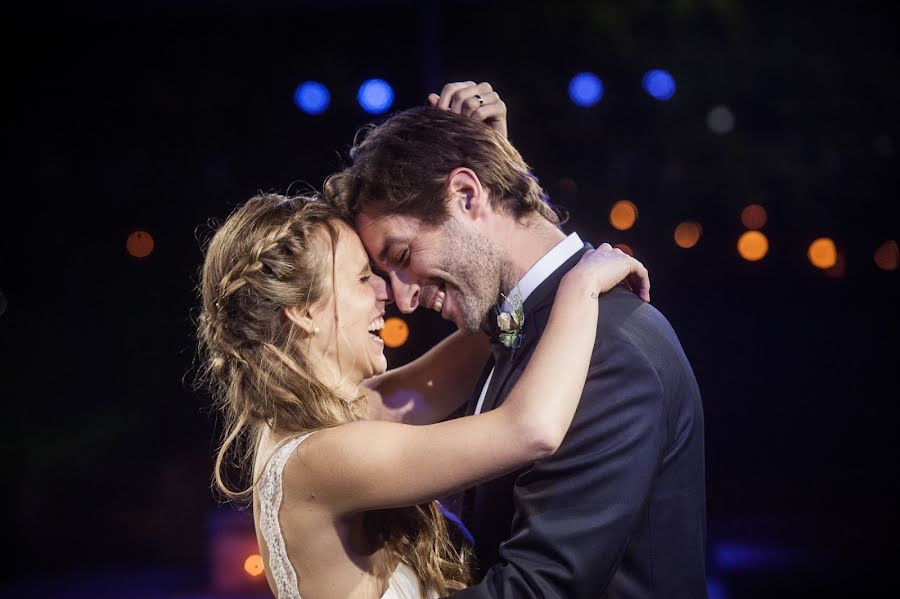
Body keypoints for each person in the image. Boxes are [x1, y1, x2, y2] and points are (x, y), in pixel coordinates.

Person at [325, 81, 707, 598]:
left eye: (401, 256)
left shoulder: (609, 353)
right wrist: (500, 167)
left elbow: (538, 588)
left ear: (465, 195)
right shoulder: (515, 327)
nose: (405, 299)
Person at [196, 189, 650, 596]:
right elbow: (531, 427)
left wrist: (493, 201)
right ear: (302, 312)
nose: (386, 292)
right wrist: (582, 286)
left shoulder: (341, 416)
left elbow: (498, 317)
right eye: (360, 278)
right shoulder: (322, 458)